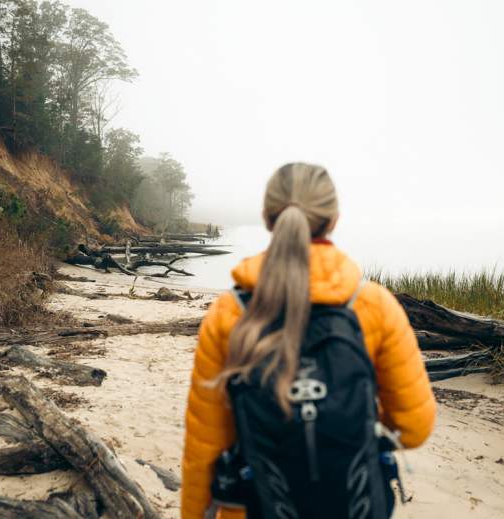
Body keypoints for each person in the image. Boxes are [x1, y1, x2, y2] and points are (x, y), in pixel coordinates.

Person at [182, 163, 436, 519]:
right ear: (333, 219)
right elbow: (414, 428)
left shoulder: (230, 313)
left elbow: (204, 449)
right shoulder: (374, 306)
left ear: (268, 219)